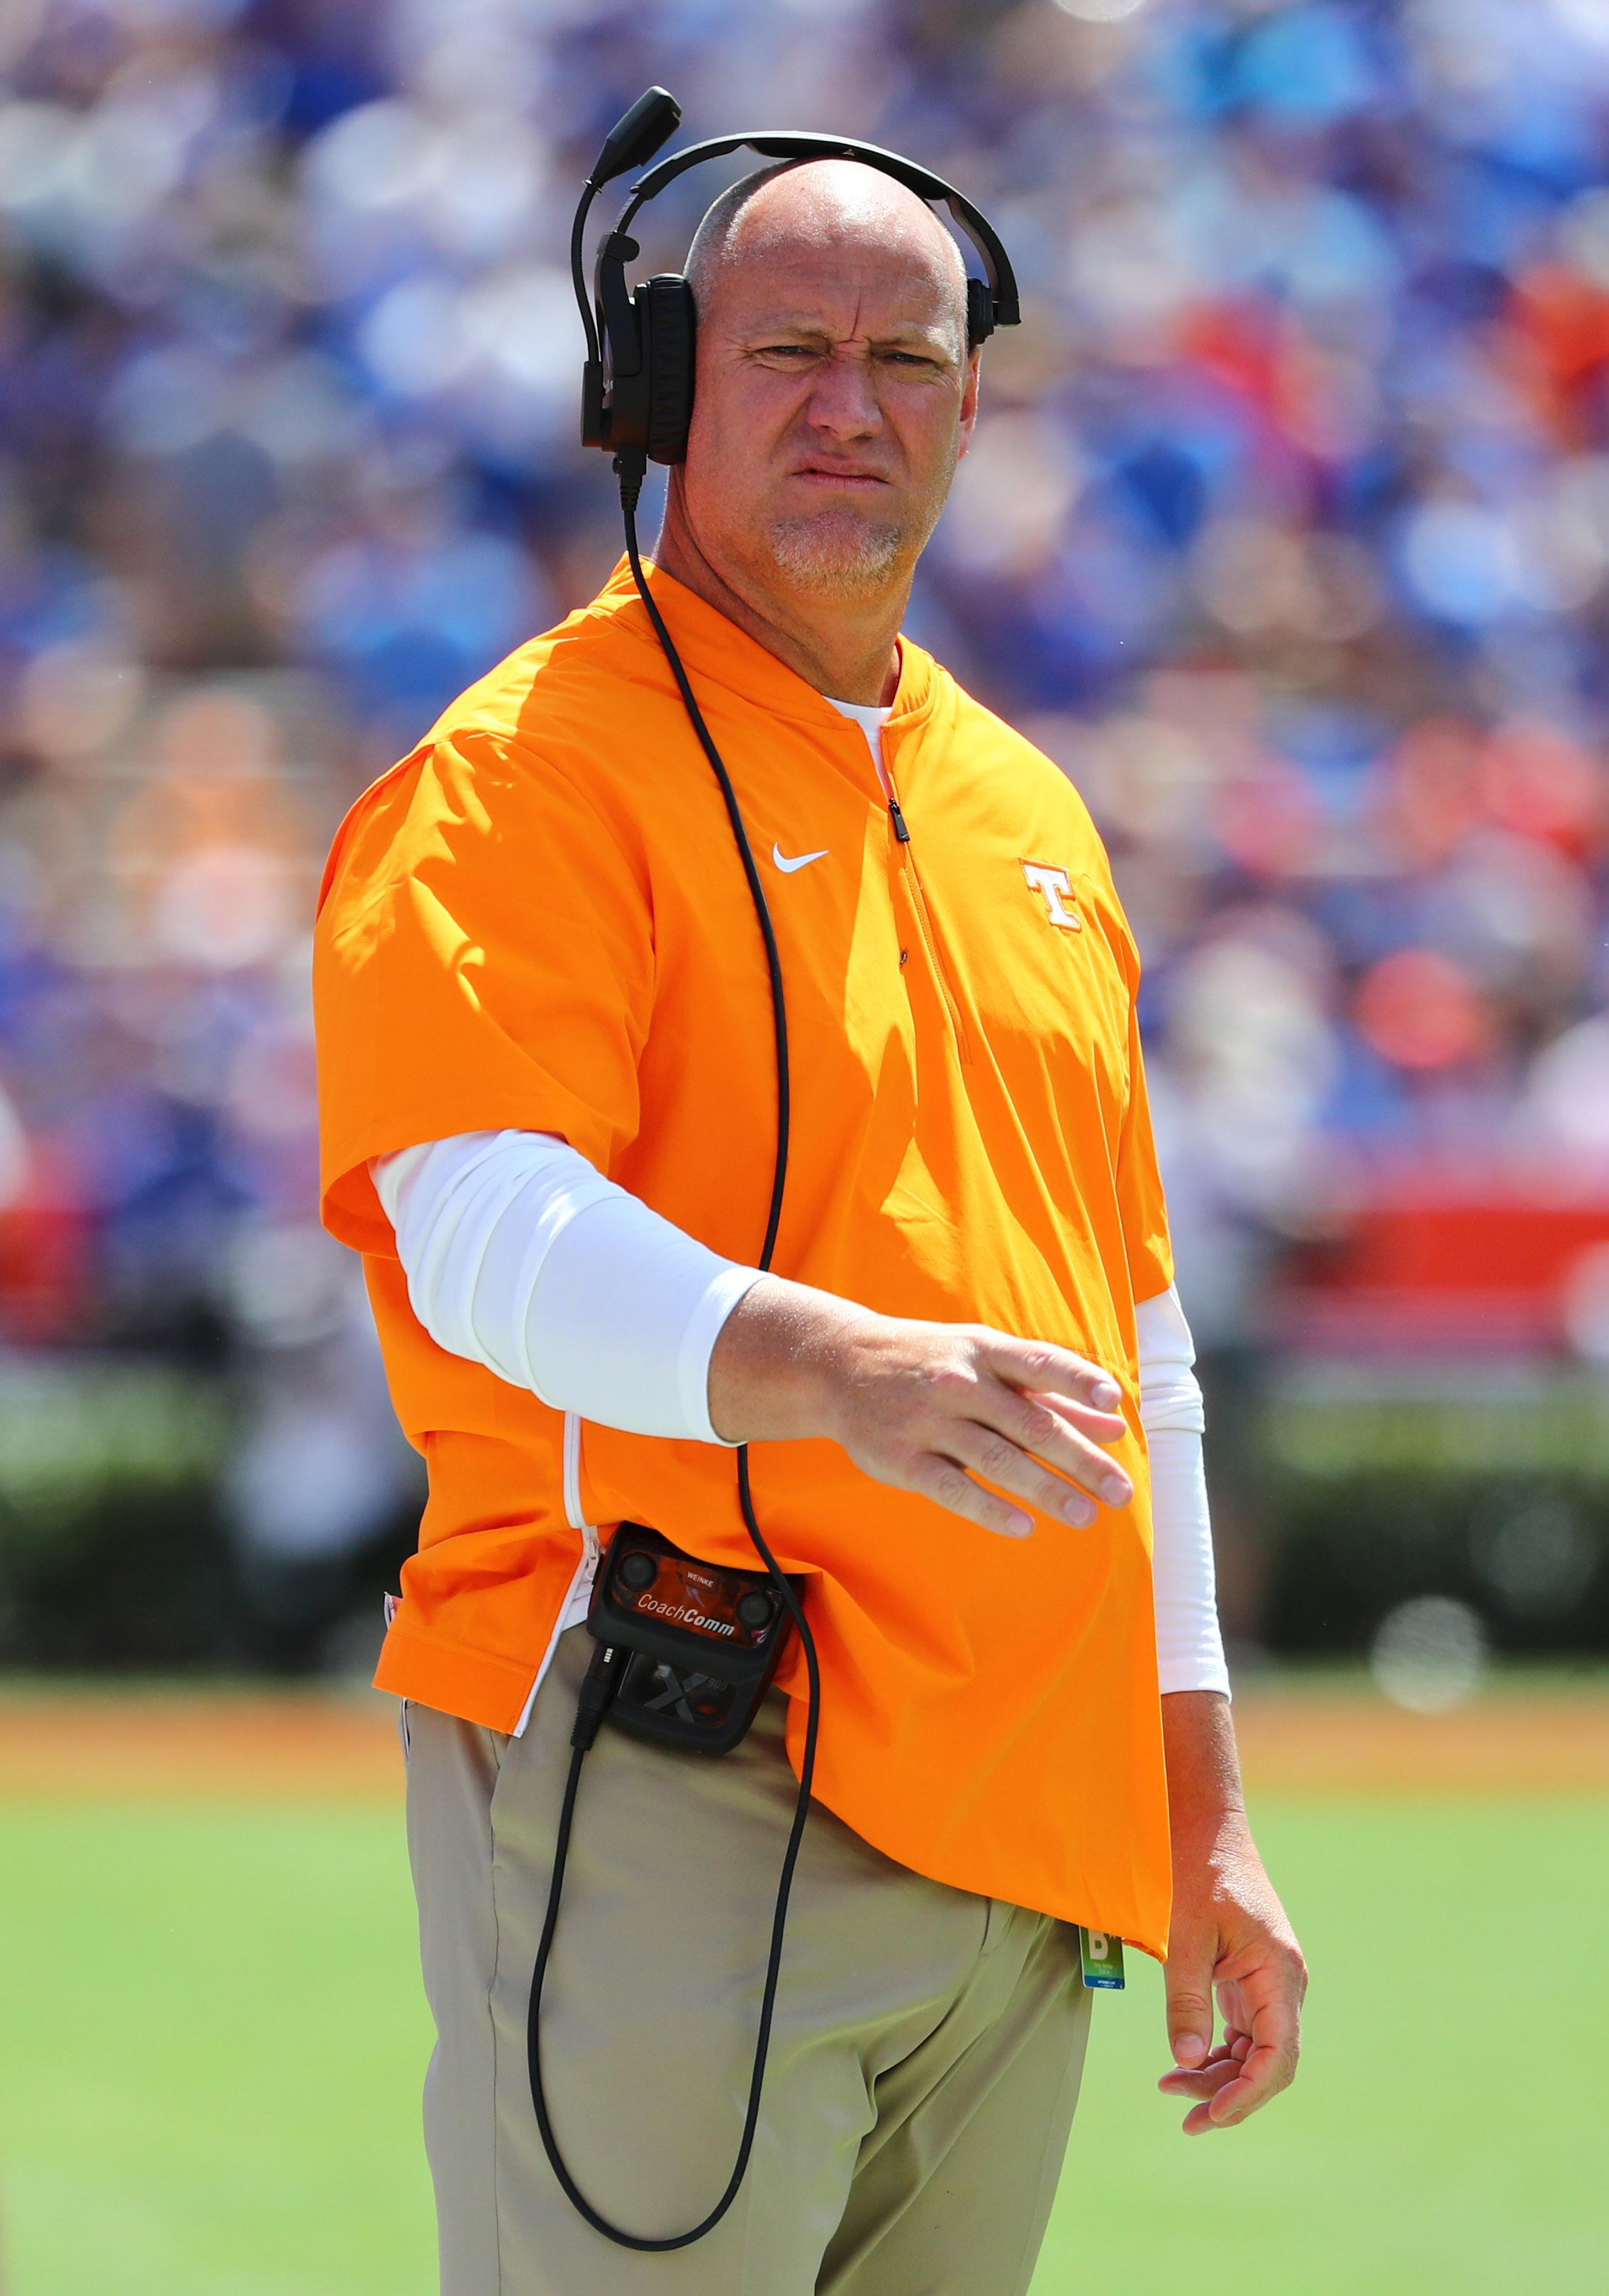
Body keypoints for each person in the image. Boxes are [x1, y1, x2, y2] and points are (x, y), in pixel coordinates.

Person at [313, 155, 1305, 2296]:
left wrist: (1196, 1796)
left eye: (904, 358)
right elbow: (476, 1224)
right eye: (785, 351)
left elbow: (1140, 1338)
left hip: (1025, 1834)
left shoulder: (1027, 804)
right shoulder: (523, 775)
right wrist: (834, 1367)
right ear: (657, 392)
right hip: (680, 1759)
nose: (849, 401)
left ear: (971, 409)